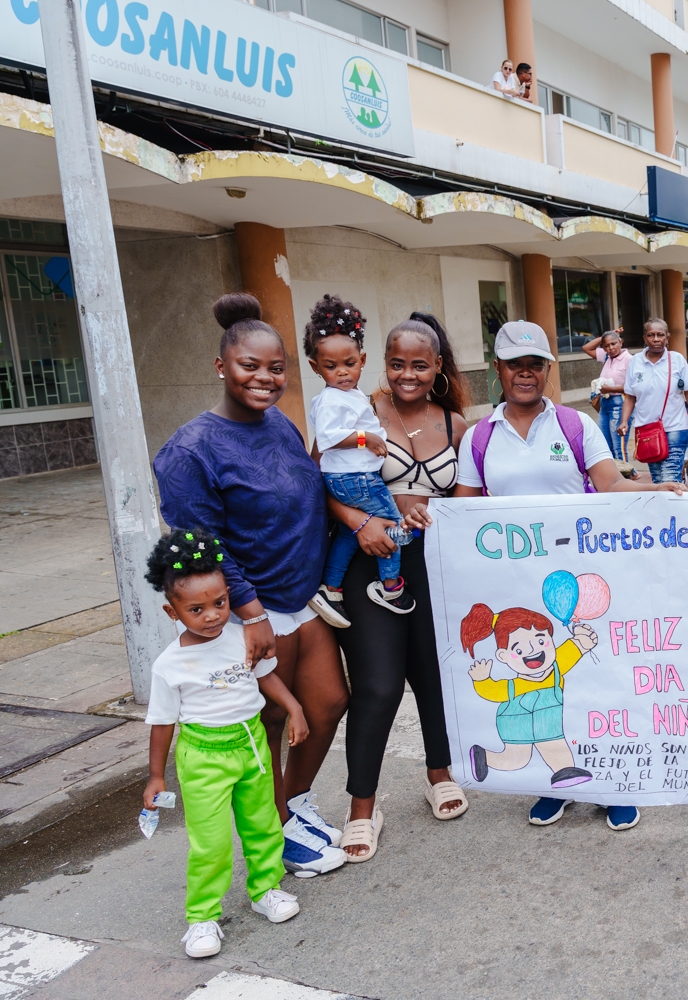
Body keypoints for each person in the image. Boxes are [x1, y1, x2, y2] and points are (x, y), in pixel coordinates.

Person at [416, 319, 686, 832]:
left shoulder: (575, 425)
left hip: (583, 580)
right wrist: (423, 514)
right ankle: (549, 781)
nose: (525, 374)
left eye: (535, 365)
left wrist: (656, 491)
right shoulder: (480, 437)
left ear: (547, 370)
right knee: (538, 684)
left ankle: (614, 783)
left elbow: (608, 484)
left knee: (598, 678)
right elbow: (462, 512)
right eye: (515, 364)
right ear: (498, 369)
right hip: (519, 588)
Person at [154, 294, 348, 878]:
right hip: (248, 608)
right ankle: (273, 836)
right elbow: (204, 547)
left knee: (328, 702)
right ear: (221, 367)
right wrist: (252, 611)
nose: (265, 378)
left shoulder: (282, 426)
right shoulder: (190, 451)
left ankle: (289, 806)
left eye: (276, 367)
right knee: (265, 726)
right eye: (249, 366)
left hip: (300, 595)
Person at [327, 313, 472, 862]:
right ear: (381, 364)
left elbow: (466, 501)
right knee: (379, 685)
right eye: (397, 363)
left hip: (433, 566)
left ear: (437, 367)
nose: (407, 374)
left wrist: (429, 508)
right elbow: (324, 482)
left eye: (419, 364)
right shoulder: (358, 411)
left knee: (434, 676)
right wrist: (361, 524)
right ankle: (362, 807)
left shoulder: (457, 424)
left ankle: (440, 773)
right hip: (371, 563)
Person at [142, 528, 312, 959]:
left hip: (251, 744)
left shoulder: (242, 638)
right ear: (172, 611)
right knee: (211, 841)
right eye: (196, 609)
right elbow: (162, 723)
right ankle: (201, 917)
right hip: (202, 756)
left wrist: (294, 709)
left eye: (220, 603)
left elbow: (265, 675)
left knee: (263, 826)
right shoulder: (170, 664)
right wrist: (156, 776)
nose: (213, 615)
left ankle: (265, 889)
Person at [302, 295, 414, 623]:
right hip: (357, 480)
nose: (341, 372)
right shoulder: (330, 400)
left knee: (351, 536)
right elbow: (328, 439)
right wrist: (368, 439)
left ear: (362, 360)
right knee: (392, 526)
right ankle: (391, 586)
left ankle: (331, 589)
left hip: (353, 478)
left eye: (349, 364)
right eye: (330, 367)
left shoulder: (348, 396)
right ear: (315, 367)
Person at [620, 318, 688, 484]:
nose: (656, 339)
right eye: (651, 335)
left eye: (660, 335)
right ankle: (674, 504)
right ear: (645, 338)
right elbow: (630, 396)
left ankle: (674, 503)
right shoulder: (635, 362)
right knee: (658, 481)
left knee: (669, 479)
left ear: (667, 337)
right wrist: (624, 422)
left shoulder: (677, 360)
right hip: (646, 430)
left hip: (675, 428)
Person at [582, 328, 631, 461]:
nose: (610, 348)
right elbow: (586, 348)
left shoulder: (629, 360)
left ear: (620, 342)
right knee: (606, 445)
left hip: (620, 404)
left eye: (613, 343)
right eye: (606, 345)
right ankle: (626, 474)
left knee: (618, 447)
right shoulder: (606, 357)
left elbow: (633, 388)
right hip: (605, 404)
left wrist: (610, 388)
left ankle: (627, 475)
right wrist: (607, 334)